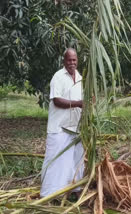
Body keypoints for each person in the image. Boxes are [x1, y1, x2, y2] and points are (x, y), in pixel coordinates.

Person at [40, 48, 85, 197]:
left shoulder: (79, 77)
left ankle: (74, 189)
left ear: (77, 60)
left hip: (76, 127)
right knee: (56, 162)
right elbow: (57, 100)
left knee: (76, 160)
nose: (72, 63)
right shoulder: (58, 77)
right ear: (64, 61)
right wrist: (79, 103)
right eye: (69, 60)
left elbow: (83, 100)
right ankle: (49, 195)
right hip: (59, 127)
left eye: (74, 60)